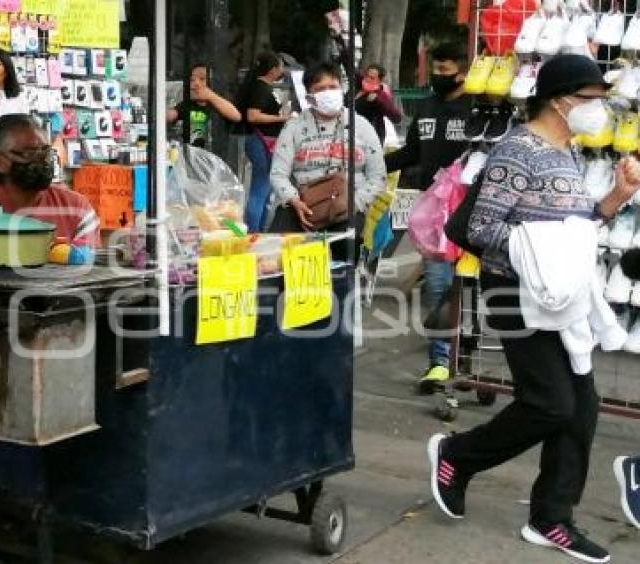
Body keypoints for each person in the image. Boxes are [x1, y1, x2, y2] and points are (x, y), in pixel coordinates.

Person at [428, 54, 640, 564]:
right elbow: (480, 229)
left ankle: (551, 518)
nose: (600, 108)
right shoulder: (516, 150)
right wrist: (540, 256)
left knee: (581, 407)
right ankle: (456, 455)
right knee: (550, 404)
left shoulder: (566, 151)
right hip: (514, 295)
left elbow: (573, 226)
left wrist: (616, 196)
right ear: (560, 99)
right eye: (591, 98)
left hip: (560, 299)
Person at [384, 42, 474, 392]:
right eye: (434, 70)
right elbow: (411, 152)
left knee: (468, 286)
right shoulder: (425, 107)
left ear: (463, 72)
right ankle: (439, 362)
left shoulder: (477, 109)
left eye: (444, 70)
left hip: (471, 211)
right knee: (437, 285)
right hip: (434, 214)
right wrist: (374, 163)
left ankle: (464, 352)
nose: (437, 76)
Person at [268, 62, 386, 258]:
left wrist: (353, 204)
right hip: (303, 207)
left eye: (332, 87)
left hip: (348, 208)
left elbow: (377, 177)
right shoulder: (294, 127)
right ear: (309, 96)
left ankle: (343, 285)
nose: (328, 92)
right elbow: (278, 174)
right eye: (320, 89)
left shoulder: (361, 125)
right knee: (279, 249)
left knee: (348, 243)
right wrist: (294, 200)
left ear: (342, 88)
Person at [0, 114, 99, 247]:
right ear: (0, 162)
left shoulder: (77, 209)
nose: (43, 159)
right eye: (29, 153)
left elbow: (88, 263)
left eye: (45, 151)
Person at [241, 51, 290, 233]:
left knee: (265, 187)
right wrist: (280, 119)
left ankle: (259, 228)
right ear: (272, 69)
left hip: (263, 141)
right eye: (280, 66)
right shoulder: (261, 88)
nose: (282, 69)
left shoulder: (262, 87)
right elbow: (253, 116)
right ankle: (254, 230)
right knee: (260, 188)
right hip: (261, 141)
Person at [167, 63, 242, 148]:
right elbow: (171, 115)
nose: (195, 84)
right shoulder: (187, 105)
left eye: (202, 79)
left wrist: (210, 96)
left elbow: (236, 116)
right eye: (192, 80)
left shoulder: (220, 104)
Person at [354, 64, 402, 147]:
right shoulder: (359, 87)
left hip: (369, 139)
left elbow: (397, 117)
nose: (368, 79)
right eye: (367, 76)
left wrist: (378, 100)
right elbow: (353, 72)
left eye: (372, 78)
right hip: (352, 134)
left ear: (379, 81)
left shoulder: (380, 95)